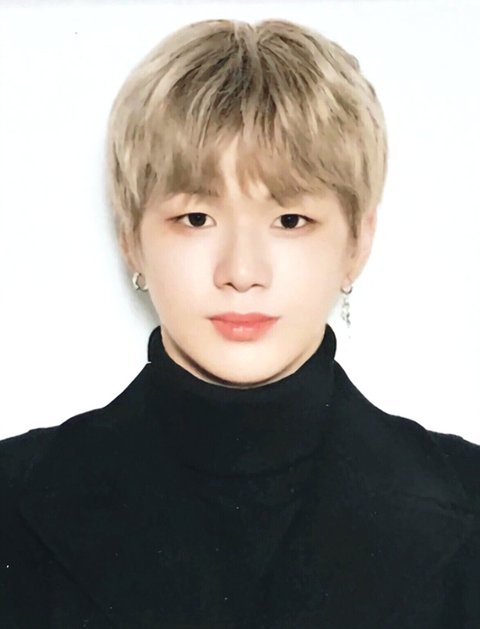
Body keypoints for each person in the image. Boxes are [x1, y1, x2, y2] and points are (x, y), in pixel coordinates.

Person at [1, 17, 479, 629]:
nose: (242, 272)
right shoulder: (13, 499)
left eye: (290, 220)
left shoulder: (468, 499)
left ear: (357, 243)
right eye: (196, 218)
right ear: (131, 239)